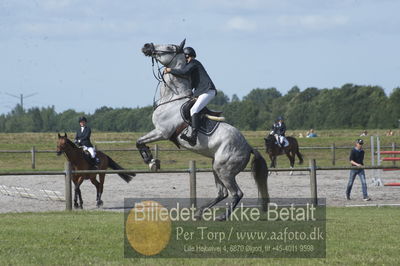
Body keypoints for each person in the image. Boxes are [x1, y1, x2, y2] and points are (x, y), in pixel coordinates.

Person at [164, 47, 217, 146]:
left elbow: (184, 72)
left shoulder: (194, 63)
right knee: (189, 108)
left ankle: (193, 137)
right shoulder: (192, 65)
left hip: (208, 91)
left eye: (184, 57)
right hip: (203, 91)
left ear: (187, 56)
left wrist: (170, 70)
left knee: (194, 110)